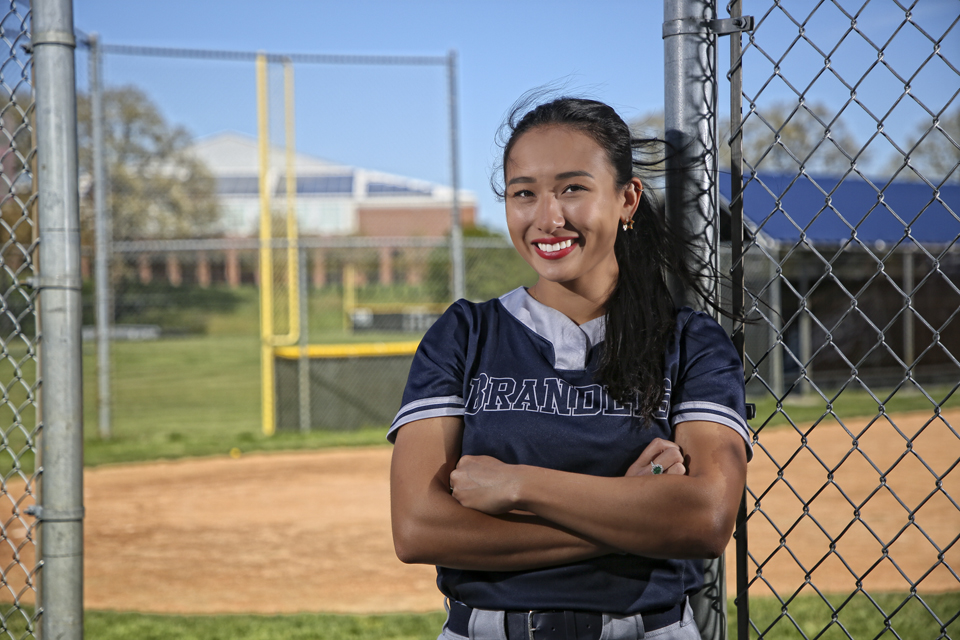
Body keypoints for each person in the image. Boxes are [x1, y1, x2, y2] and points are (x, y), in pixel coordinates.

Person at [389, 96, 751, 640]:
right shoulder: (465, 334)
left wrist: (519, 486)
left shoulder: (688, 342)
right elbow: (418, 529)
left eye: (573, 188)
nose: (546, 217)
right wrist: (634, 514)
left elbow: (705, 518)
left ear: (628, 199)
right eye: (524, 194)